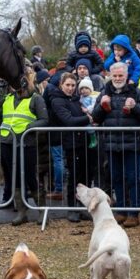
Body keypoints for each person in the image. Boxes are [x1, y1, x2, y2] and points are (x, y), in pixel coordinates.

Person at [91, 62, 140, 227]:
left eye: (121, 76)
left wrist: (135, 107)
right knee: (116, 178)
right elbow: (95, 118)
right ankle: (121, 211)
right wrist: (102, 107)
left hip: (132, 144)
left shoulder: (137, 93)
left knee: (133, 179)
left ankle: (134, 213)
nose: (117, 79)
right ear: (110, 76)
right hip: (111, 144)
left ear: (126, 76)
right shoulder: (104, 93)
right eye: (115, 76)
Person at [0, 67, 47, 226]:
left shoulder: (36, 99)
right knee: (12, 178)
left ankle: (42, 211)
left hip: (26, 143)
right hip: (7, 143)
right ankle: (22, 212)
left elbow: (44, 119)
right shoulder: (7, 98)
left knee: (30, 177)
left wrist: (29, 127)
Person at [50, 73, 95, 223]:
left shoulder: (76, 100)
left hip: (84, 141)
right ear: (61, 85)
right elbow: (68, 120)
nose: (70, 88)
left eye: (73, 85)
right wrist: (87, 119)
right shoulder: (57, 100)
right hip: (71, 143)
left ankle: (83, 207)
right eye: (67, 85)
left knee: (86, 176)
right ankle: (72, 208)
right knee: (74, 177)